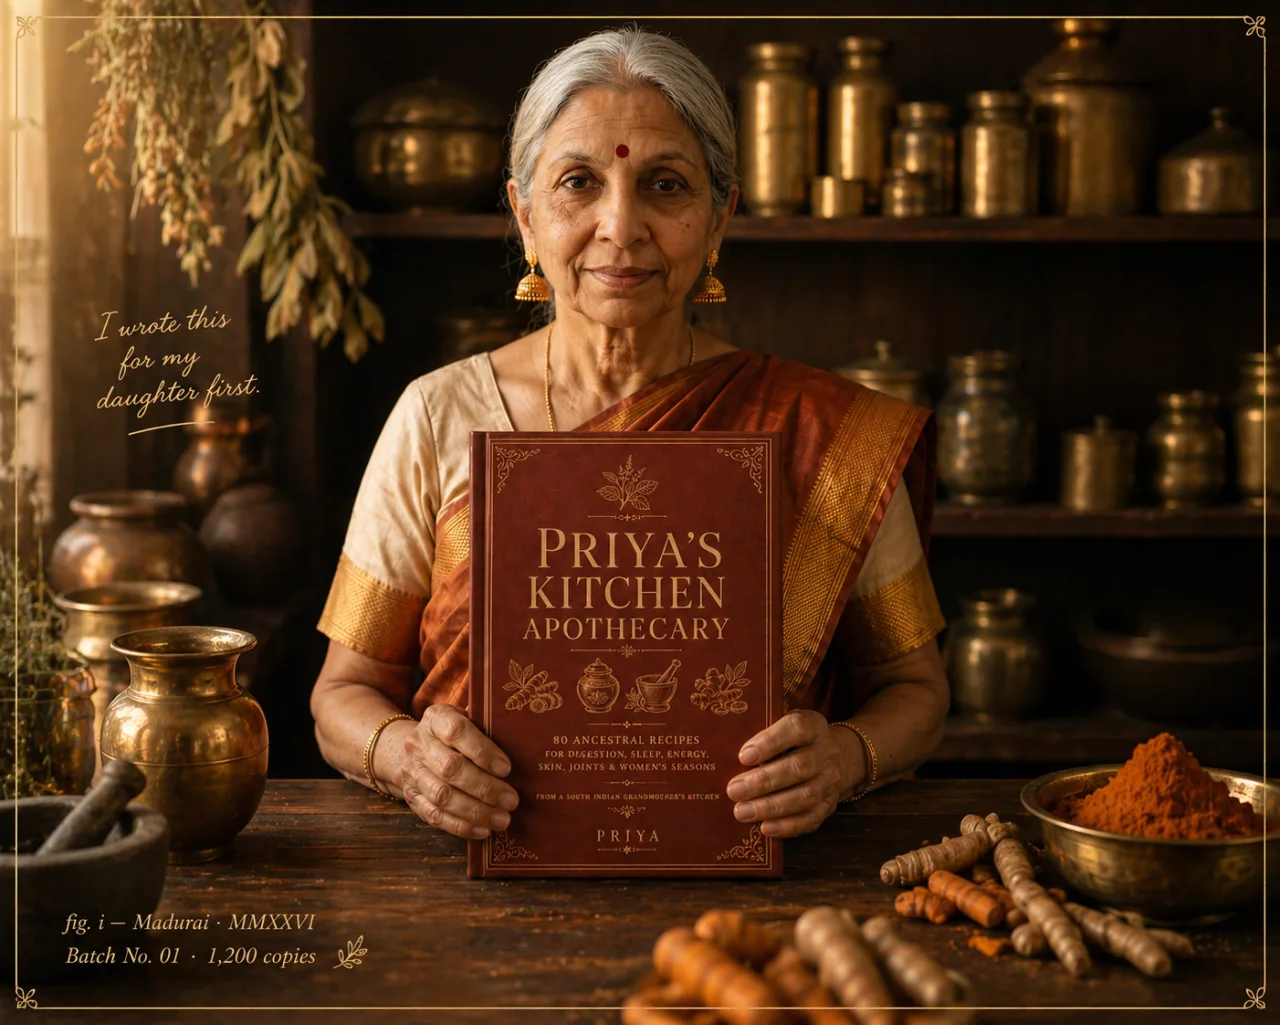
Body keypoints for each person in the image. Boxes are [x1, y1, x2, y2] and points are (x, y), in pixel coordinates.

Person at [311, 26, 950, 845]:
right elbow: (342, 692)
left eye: (665, 185)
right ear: (525, 213)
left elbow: (916, 691)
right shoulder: (439, 415)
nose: (622, 225)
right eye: (579, 181)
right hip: (476, 896)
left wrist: (844, 759)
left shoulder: (822, 431)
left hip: (761, 898)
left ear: (720, 218)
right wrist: (408, 759)